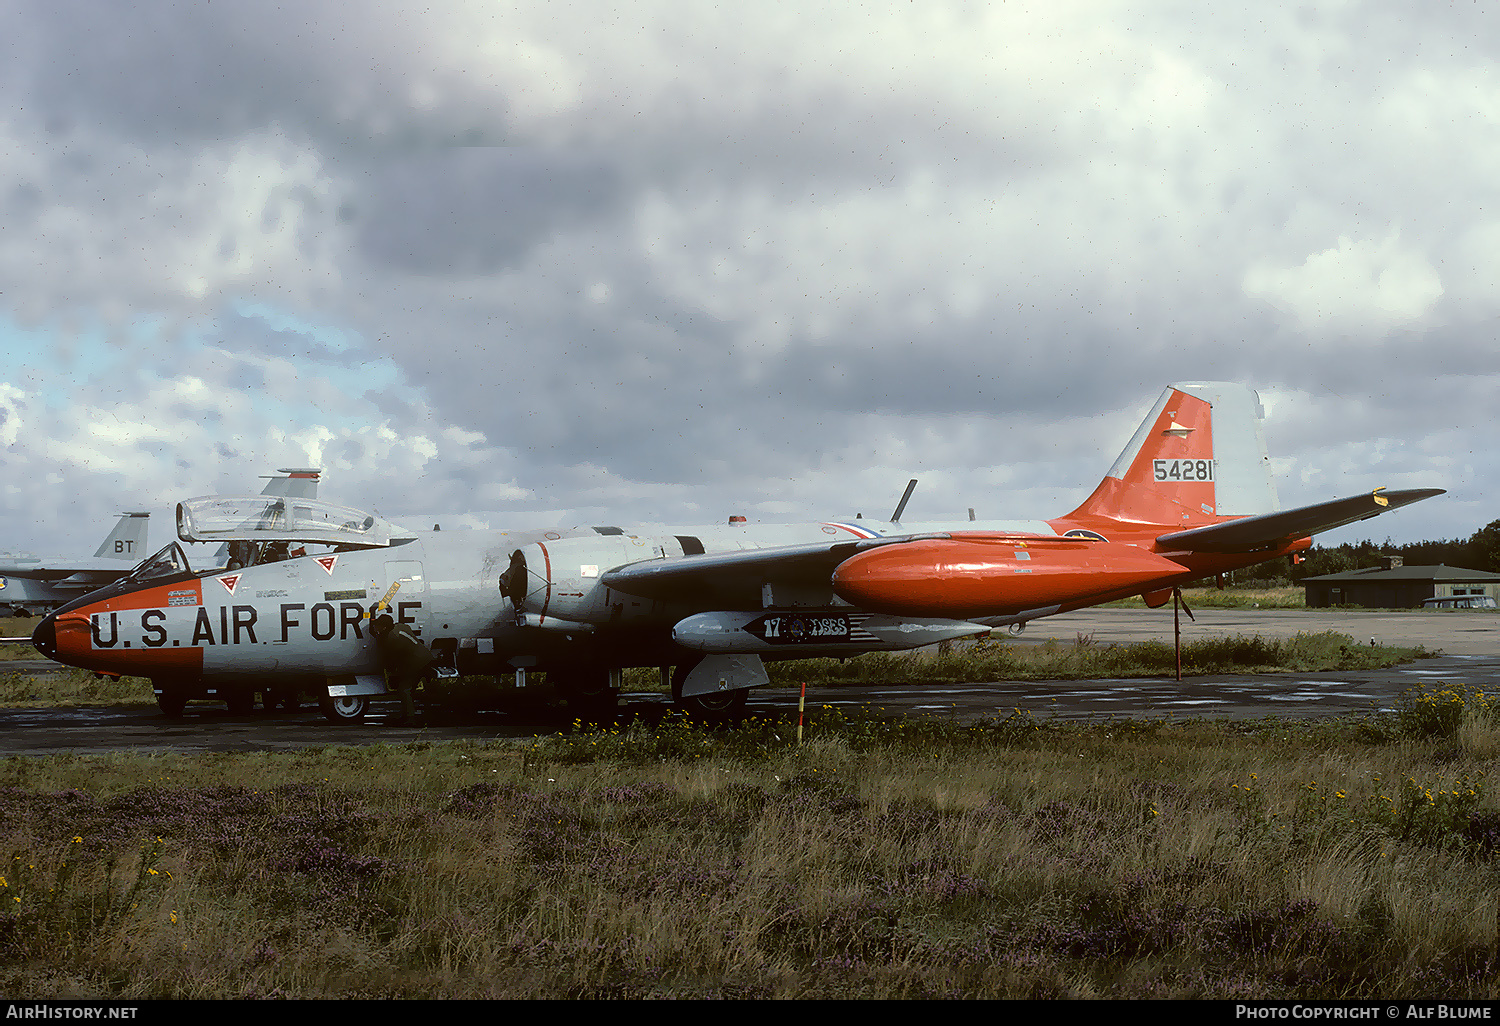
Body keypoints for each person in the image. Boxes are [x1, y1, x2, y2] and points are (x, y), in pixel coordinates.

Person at [369, 612, 435, 726]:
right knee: (410, 689)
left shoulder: (391, 639)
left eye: (378, 625)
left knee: (404, 689)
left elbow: (391, 660)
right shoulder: (400, 626)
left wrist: (393, 673)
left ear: (384, 627)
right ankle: (412, 714)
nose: (375, 627)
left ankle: (410, 718)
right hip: (425, 657)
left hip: (417, 662)